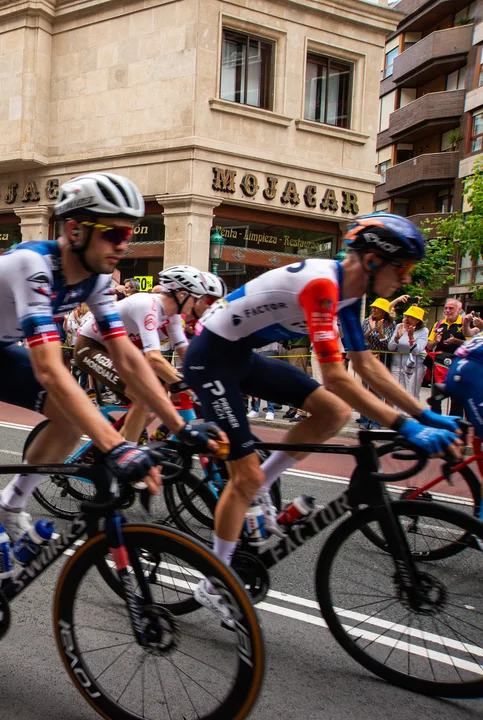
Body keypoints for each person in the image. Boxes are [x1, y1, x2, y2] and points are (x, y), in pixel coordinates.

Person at [0, 173, 222, 671]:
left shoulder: (97, 281)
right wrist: (117, 447)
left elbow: (127, 356)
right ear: (76, 230)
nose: (125, 244)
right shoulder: (34, 267)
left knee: (69, 419)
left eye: (130, 233)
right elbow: (51, 371)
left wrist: (181, 426)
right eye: (115, 233)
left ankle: (13, 503)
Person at [183, 212, 462, 623]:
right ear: (372, 261)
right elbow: (336, 376)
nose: (405, 279)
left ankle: (264, 487)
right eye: (402, 268)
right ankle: (215, 582)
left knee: (334, 412)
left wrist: (424, 414)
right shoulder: (323, 285)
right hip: (210, 361)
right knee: (244, 476)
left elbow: (365, 364)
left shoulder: (349, 292)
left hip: (241, 357)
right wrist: (406, 426)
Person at [73, 266, 225, 442]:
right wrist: (187, 385)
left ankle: (117, 445)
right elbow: (153, 358)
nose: (197, 304)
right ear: (182, 295)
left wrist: (207, 379)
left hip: (119, 352)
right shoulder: (148, 305)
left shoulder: (173, 316)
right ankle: (125, 454)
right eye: (195, 298)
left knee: (151, 408)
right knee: (144, 399)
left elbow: (185, 354)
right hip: (90, 347)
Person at [357, 297, 396, 429]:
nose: (373, 309)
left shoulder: (390, 324)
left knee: (378, 391)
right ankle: (364, 420)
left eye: (376, 308)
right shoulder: (366, 321)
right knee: (365, 390)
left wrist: (380, 331)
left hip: (381, 360)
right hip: (367, 358)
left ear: (383, 311)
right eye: (373, 307)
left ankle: (376, 422)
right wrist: (370, 330)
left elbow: (387, 344)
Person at [429, 297, 467, 417]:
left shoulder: (466, 323)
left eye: (451, 308)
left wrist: (456, 341)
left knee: (457, 399)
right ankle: (435, 422)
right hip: (439, 365)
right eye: (446, 308)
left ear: (459, 310)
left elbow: (472, 344)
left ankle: (455, 424)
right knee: (436, 398)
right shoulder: (438, 324)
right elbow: (429, 345)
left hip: (458, 365)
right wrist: (435, 341)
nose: (447, 310)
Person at [388, 305, 429, 400]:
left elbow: (417, 350)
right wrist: (396, 338)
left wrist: (411, 337)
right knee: (397, 394)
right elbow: (390, 347)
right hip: (398, 365)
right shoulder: (399, 326)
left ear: (417, 320)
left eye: (410, 317)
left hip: (415, 366)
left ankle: (413, 410)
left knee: (411, 394)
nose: (406, 319)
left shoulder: (424, 331)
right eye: (406, 316)